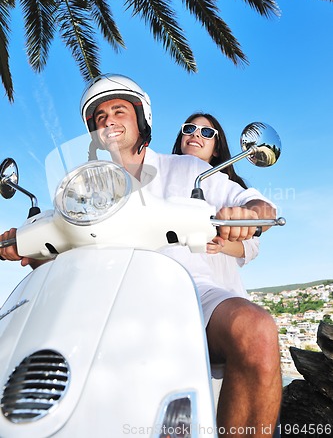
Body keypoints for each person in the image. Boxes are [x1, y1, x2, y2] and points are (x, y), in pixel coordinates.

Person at [0, 74, 282, 437]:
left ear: (142, 119)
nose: (109, 121)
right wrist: (22, 243)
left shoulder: (187, 169)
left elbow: (251, 202)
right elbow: (57, 248)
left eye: (119, 111)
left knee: (256, 330)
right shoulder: (82, 185)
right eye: (99, 117)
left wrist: (249, 212)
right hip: (101, 295)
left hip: (189, 289)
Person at [172, 113, 260, 298]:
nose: (196, 135)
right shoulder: (159, 176)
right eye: (189, 129)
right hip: (170, 285)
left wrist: (220, 242)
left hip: (219, 289)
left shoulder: (228, 187)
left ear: (216, 149)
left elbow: (250, 247)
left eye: (206, 132)